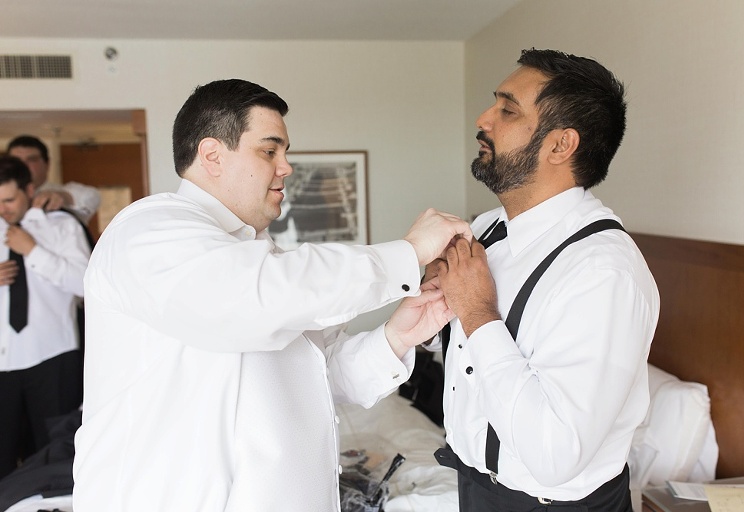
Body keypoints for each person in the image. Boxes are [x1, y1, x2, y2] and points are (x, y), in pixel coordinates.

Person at [72, 78, 472, 512]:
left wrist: (397, 336)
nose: (286, 167)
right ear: (211, 156)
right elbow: (251, 297)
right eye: (269, 151)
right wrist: (407, 254)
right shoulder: (148, 231)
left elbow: (322, 379)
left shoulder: (258, 259)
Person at [429, 49, 660, 511]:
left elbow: (556, 454)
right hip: (475, 488)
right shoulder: (489, 228)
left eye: (507, 109)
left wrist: (477, 312)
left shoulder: (604, 273)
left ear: (560, 146)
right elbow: (466, 358)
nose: (484, 118)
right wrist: (438, 307)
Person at [0, 156, 91, 480]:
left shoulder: (62, 226)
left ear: (29, 189)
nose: (4, 209)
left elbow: (86, 283)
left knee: (54, 459)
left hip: (52, 359)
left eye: (9, 200)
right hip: (2, 366)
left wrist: (33, 252)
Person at [6, 135, 101, 224]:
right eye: (17, 161)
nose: (23, 166)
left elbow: (92, 196)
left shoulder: (59, 192)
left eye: (31, 160)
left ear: (47, 164)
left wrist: (62, 197)